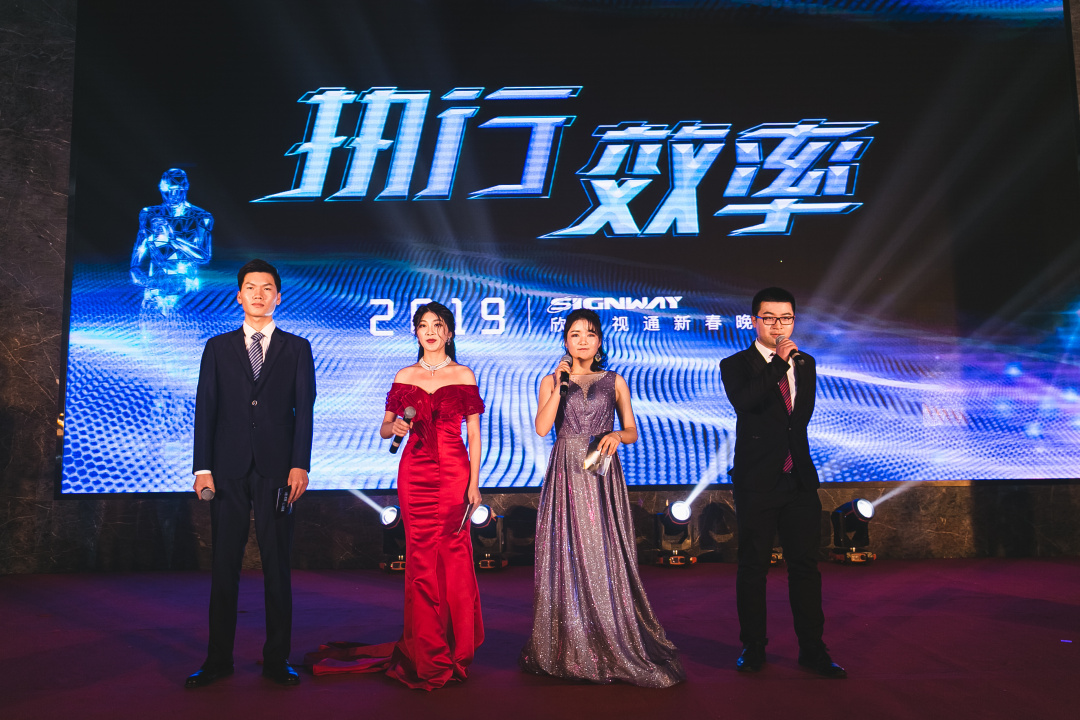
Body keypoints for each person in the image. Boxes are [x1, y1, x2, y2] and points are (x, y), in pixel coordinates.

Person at [307, 302, 484, 690]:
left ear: (449, 332)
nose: (430, 331)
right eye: (423, 325)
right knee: (420, 559)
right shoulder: (405, 375)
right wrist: (397, 428)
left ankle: (456, 650)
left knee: (454, 558)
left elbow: (473, 433)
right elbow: (385, 429)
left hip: (455, 472)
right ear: (416, 333)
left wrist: (474, 483)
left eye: (437, 325)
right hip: (415, 473)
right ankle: (428, 651)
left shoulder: (463, 374)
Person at [519, 309, 685, 687]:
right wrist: (560, 385)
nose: (582, 340)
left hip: (600, 472)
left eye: (590, 334)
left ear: (599, 341)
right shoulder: (550, 380)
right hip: (565, 471)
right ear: (565, 340)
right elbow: (543, 427)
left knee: (601, 550)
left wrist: (615, 436)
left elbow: (632, 430)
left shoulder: (615, 381)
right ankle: (570, 643)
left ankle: (610, 637)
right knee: (566, 552)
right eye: (575, 334)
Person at [186, 259, 316, 688]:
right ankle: (217, 659)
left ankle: (277, 659)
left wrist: (300, 464)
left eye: (267, 288)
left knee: (277, 565)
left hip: (279, 471)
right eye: (251, 288)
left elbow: (304, 412)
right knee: (224, 564)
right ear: (239, 296)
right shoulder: (217, 347)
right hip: (227, 470)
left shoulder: (297, 348)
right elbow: (206, 409)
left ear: (278, 296)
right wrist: (202, 468)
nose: (259, 294)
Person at [719, 287, 846, 678]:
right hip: (757, 480)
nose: (778, 326)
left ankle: (813, 649)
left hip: (799, 479)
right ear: (754, 321)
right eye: (770, 318)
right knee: (754, 567)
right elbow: (747, 403)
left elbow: (798, 419)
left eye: (786, 318)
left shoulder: (805, 363)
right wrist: (777, 362)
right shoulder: (735, 364)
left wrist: (788, 362)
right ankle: (753, 647)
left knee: (805, 566)